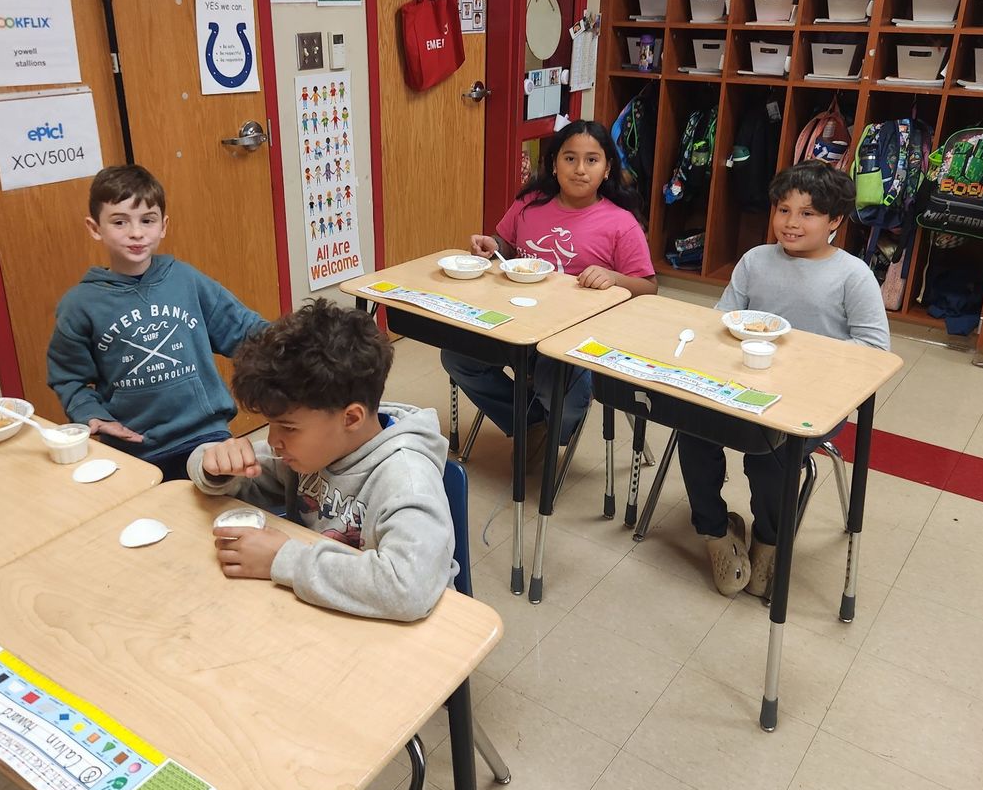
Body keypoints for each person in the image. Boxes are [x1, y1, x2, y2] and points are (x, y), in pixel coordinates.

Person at [678, 160, 890, 598]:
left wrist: (808, 361)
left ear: (835, 220)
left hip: (814, 402)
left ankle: (769, 541)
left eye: (808, 213)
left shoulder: (854, 275)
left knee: (770, 455)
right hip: (745, 386)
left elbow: (874, 354)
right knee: (691, 425)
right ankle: (715, 533)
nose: (791, 223)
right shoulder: (756, 260)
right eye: (783, 210)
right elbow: (723, 318)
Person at [187, 298, 457, 623]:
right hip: (326, 612)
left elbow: (408, 588)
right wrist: (214, 465)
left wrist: (283, 559)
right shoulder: (312, 449)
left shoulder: (406, 479)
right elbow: (235, 476)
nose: (273, 441)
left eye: (287, 427)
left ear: (351, 418)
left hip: (405, 637)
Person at [442, 119, 657, 467]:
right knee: (457, 358)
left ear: (607, 170)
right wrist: (490, 245)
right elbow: (507, 248)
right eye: (570, 158)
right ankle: (532, 422)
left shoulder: (620, 223)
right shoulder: (530, 203)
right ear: (554, 163)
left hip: (573, 335)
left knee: (556, 386)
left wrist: (613, 277)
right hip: (514, 320)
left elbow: (648, 287)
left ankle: (546, 424)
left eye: (592, 160)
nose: (580, 169)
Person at [47, 165, 267, 481]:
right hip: (135, 451)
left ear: (163, 226)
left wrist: (303, 341)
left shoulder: (187, 280)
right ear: (95, 228)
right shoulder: (79, 305)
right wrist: (92, 415)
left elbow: (247, 331)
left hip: (207, 439)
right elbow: (68, 378)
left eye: (147, 220)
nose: (136, 232)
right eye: (120, 221)